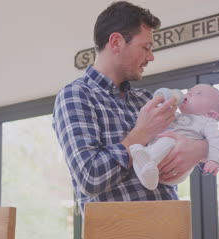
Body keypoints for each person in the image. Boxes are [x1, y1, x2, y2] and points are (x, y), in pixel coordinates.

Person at [52, 1, 208, 212]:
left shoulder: (145, 98)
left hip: (170, 232)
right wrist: (141, 133)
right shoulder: (76, 95)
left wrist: (202, 148)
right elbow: (90, 177)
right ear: (116, 42)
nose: (151, 57)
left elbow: (201, 132)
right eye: (146, 47)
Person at [130, 84, 219, 190]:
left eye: (198, 93)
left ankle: (148, 168)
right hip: (156, 161)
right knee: (137, 151)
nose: (188, 93)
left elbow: (217, 139)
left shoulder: (207, 122)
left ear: (210, 114)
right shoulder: (175, 115)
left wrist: (215, 160)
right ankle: (147, 176)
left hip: (175, 172)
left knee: (168, 139)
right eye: (189, 91)